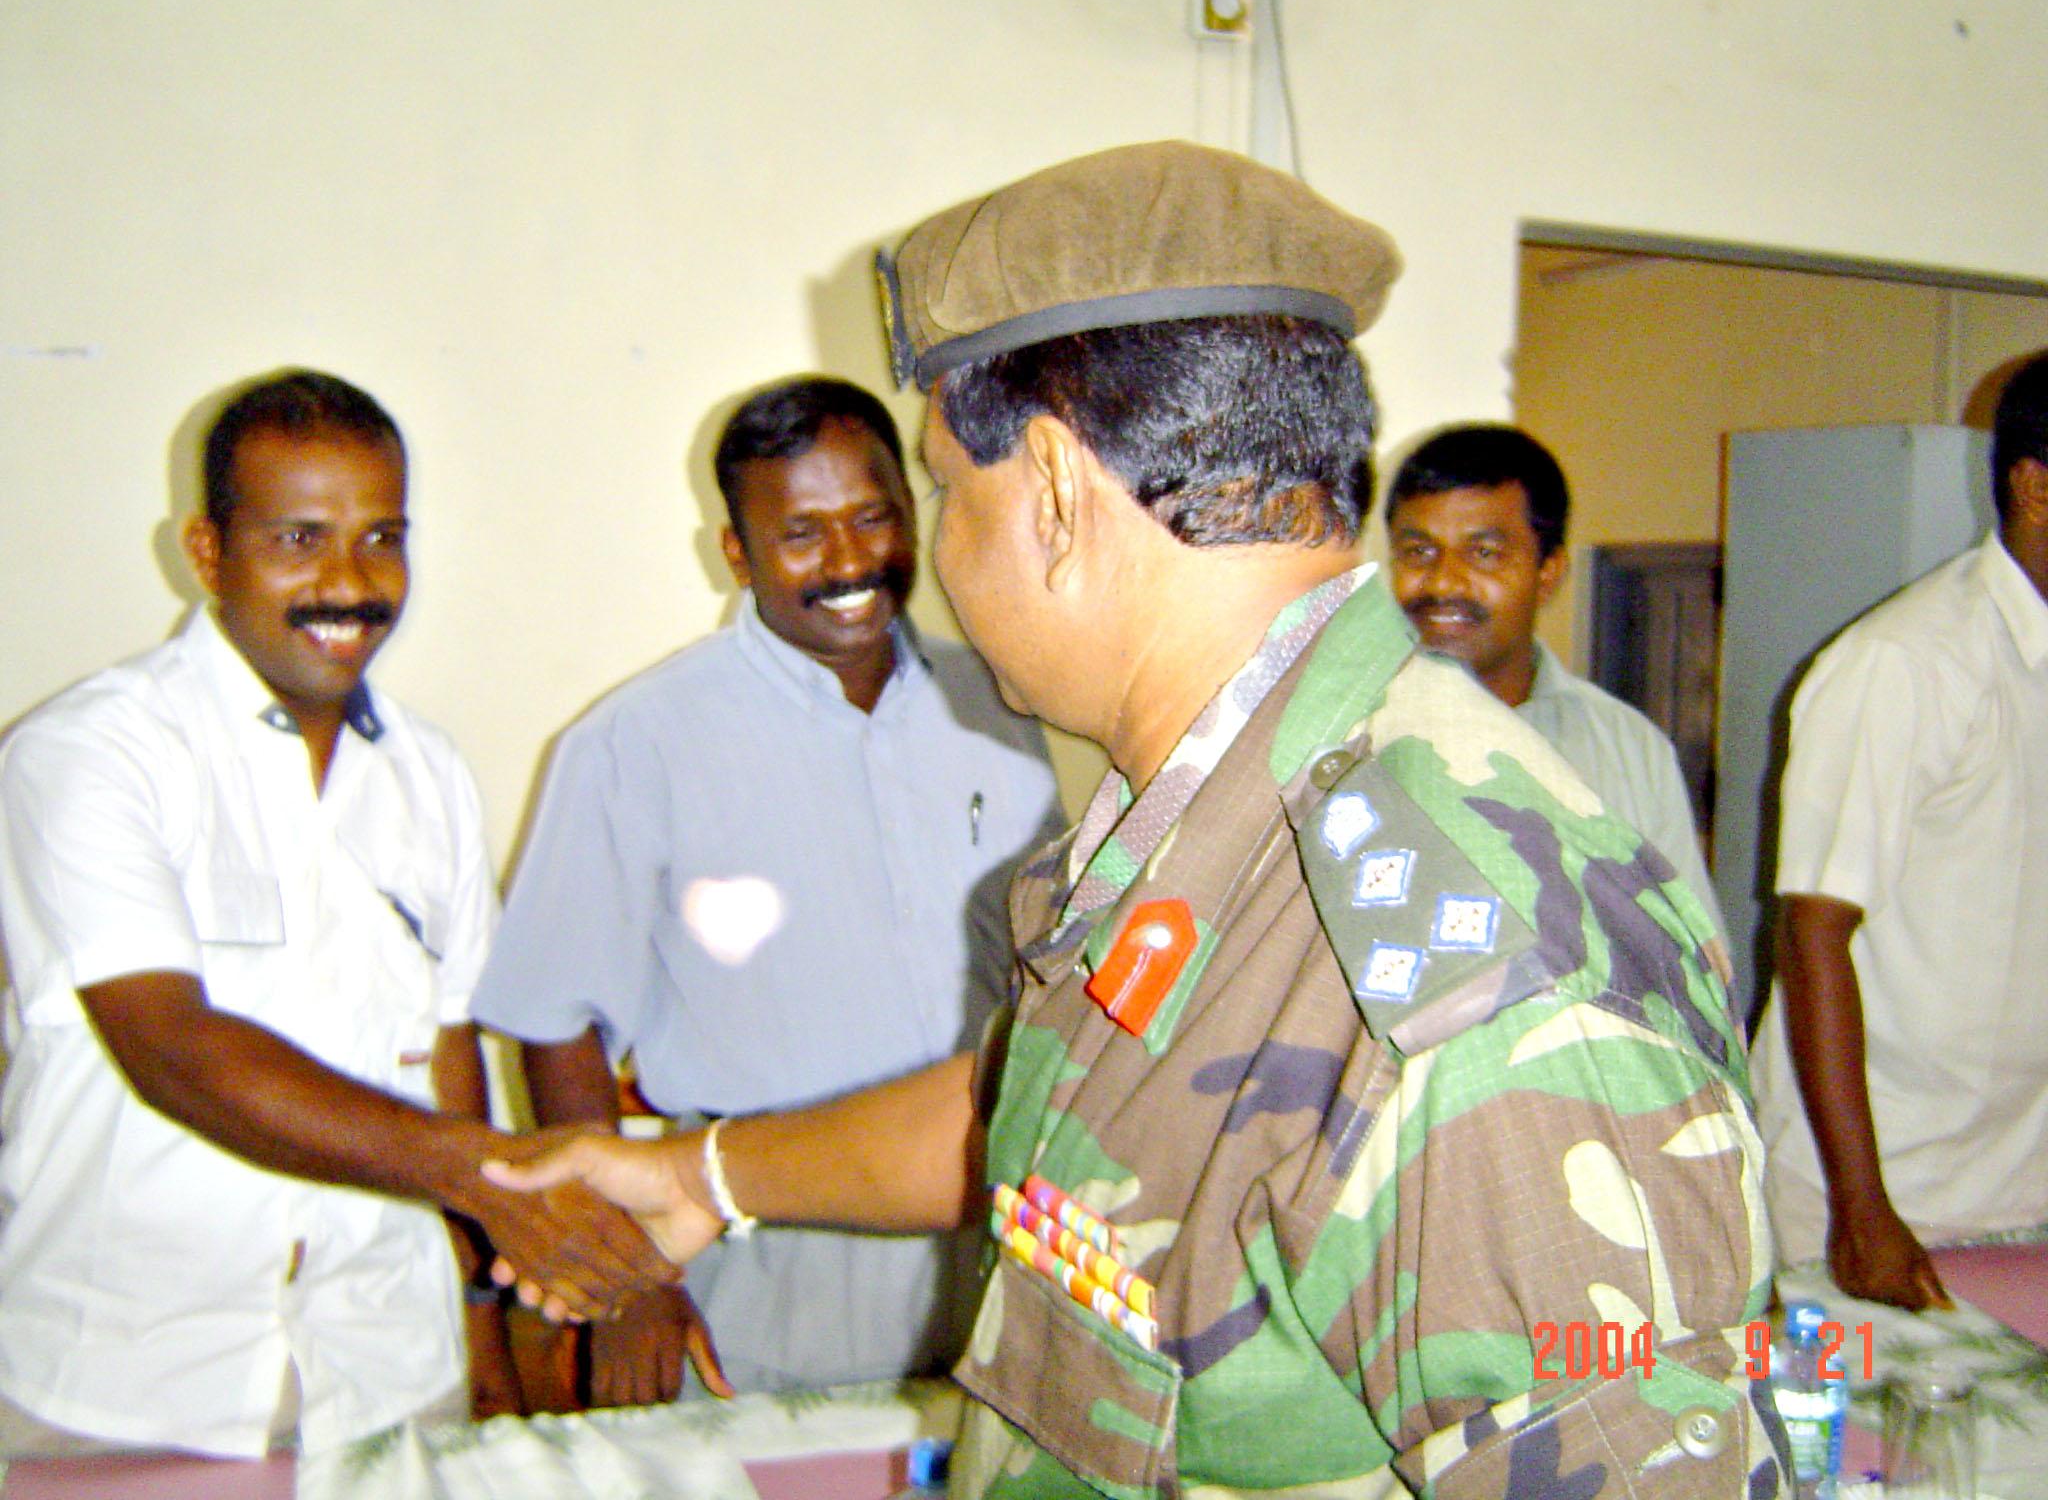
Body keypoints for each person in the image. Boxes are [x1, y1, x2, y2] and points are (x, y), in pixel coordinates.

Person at [487, 144, 1786, 1495]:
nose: (936, 553)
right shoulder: (1215, 814)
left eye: (943, 489)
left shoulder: (1464, 965)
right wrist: (705, 1177)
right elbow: (1082, 1113)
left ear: (1050, 491)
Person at [0, 369, 676, 1459]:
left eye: (381, 538)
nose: (349, 582)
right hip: (122, 1386)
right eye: (298, 539)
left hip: (386, 1381)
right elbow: (173, 1047)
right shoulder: (87, 754)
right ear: (207, 551)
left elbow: (451, 1054)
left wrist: (483, 1336)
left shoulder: (430, 775)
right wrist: (479, 1177)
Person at [470, 375, 1061, 1404]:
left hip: (998, 1259)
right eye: (799, 533)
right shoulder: (633, 744)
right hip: (760, 1269)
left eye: (871, 516)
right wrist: (626, 1286)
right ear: (734, 553)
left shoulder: (1001, 702)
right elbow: (557, 1025)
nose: (846, 562)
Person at [1750, 351, 2048, 1310]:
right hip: (1882, 1194)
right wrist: (1860, 1202)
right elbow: (1811, 931)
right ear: (2034, 488)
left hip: (2021, 1183)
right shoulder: (1906, 663)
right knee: (1868, 1458)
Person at [1384, 423, 1732, 999]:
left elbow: (1696, 966)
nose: (1443, 581)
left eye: (1485, 553)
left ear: (1549, 572)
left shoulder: (1626, 749)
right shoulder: (1342, 733)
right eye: (1418, 551)